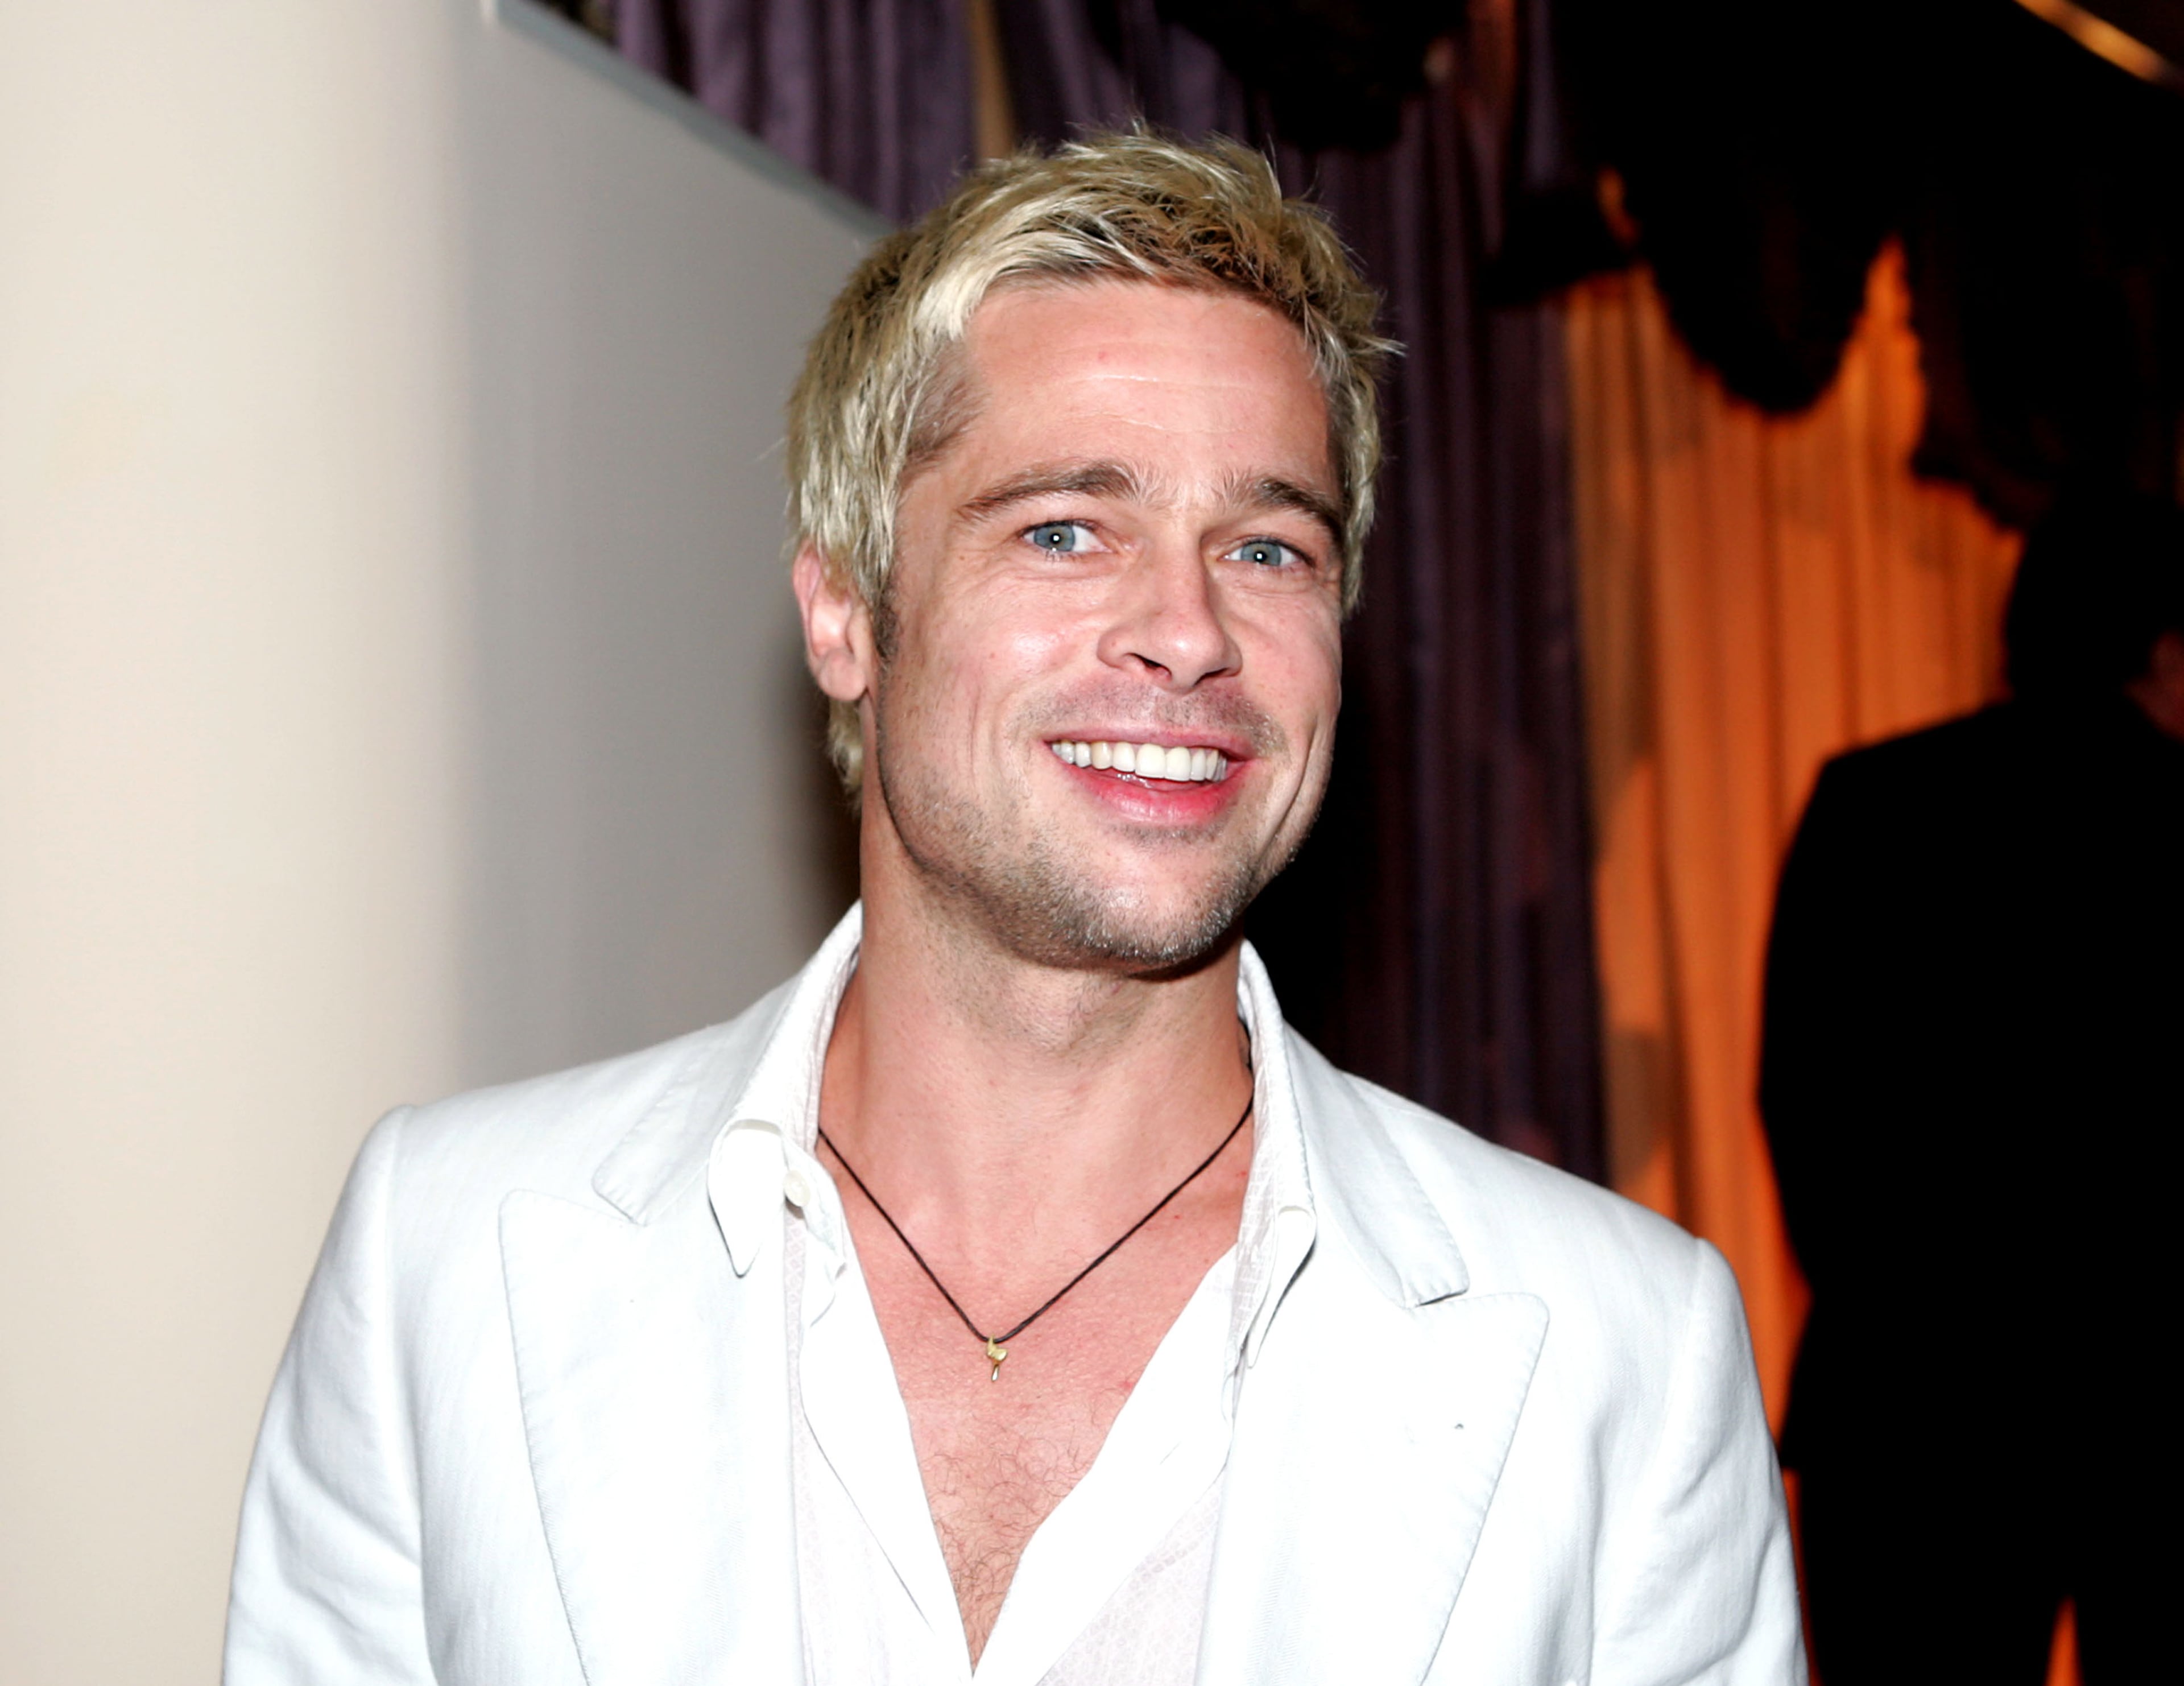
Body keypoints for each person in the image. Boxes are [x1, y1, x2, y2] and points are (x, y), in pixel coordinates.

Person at [225, 133, 1801, 1685]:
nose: (1189, 633)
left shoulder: (1626, 1361)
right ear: (847, 608)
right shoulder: (444, 1255)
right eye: (1063, 527)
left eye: (1268, 546)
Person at [1760, 493, 2184, 1685]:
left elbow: (1800, 1097)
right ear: (2166, 649)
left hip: (1912, 1403)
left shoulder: (1874, 800)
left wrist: (1894, 1295)